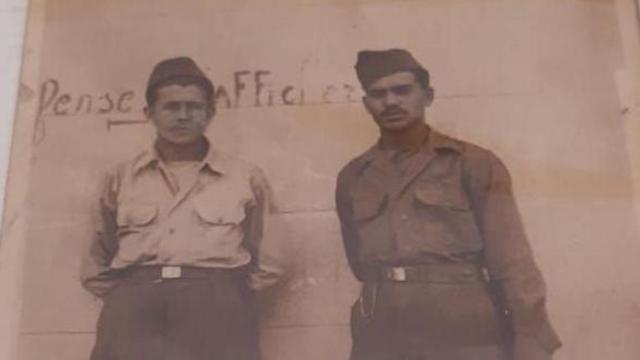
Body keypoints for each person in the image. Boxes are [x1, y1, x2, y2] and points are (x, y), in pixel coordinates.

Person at [335, 49, 561, 360]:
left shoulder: (473, 163)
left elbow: (512, 261)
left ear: (427, 96)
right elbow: (359, 262)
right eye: (378, 94)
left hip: (462, 324)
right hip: (382, 329)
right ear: (366, 104)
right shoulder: (353, 177)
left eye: (402, 90)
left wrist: (529, 337)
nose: (390, 102)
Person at [81, 57, 284, 360]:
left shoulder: (245, 177)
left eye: (194, 107)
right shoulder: (119, 178)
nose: (183, 116)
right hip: (134, 310)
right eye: (172, 107)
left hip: (217, 307)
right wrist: (129, 296)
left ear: (210, 113)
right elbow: (95, 257)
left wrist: (228, 295)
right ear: (149, 113)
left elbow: (272, 257)